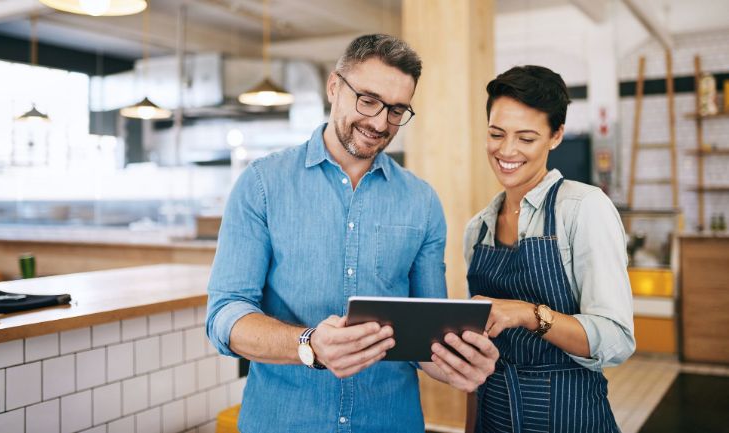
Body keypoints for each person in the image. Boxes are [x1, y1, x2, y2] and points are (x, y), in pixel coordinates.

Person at [206, 34, 499, 433]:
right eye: (368, 100)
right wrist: (307, 344)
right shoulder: (261, 184)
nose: (380, 123)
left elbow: (424, 336)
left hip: (390, 421)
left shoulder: (422, 201)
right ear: (333, 87)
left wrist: (456, 366)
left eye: (397, 110)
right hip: (283, 421)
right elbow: (226, 316)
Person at [463, 65, 635, 432]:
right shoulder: (477, 229)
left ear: (556, 136)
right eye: (496, 134)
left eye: (526, 138)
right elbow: (474, 351)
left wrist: (527, 313)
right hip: (491, 414)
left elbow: (617, 339)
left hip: (569, 415)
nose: (506, 150)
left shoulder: (583, 208)